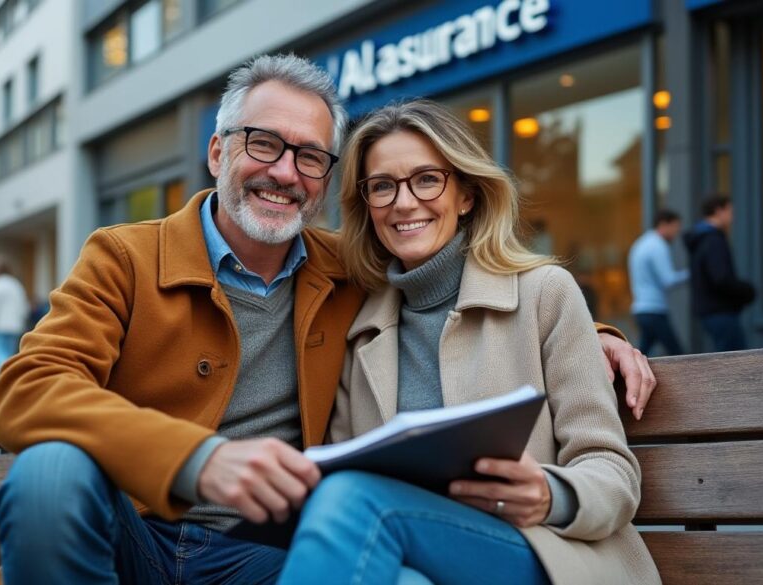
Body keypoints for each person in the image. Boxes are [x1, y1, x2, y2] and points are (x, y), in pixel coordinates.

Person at [0, 54, 656, 585]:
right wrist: (196, 460)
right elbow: (27, 388)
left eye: (308, 156)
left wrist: (595, 335)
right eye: (263, 143)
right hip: (133, 532)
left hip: (261, 553)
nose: (284, 171)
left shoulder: (346, 273)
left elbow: (467, 290)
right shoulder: (124, 256)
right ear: (218, 153)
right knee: (49, 471)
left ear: (326, 181)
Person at [278, 100, 660, 584]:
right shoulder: (361, 332)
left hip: (543, 553)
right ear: (367, 206)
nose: (403, 202)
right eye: (382, 186)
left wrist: (549, 492)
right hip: (419, 557)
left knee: (354, 499)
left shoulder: (544, 292)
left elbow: (611, 469)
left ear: (466, 195)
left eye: (427, 179)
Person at [684, 195, 755, 351]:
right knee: (735, 360)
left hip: (711, 310)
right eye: (730, 211)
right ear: (718, 211)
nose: (732, 217)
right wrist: (746, 292)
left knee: (728, 358)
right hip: (720, 310)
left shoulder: (702, 238)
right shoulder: (713, 240)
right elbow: (721, 278)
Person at [628, 209, 689, 355]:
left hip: (641, 309)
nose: (676, 233)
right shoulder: (658, 246)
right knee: (679, 355)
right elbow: (668, 279)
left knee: (641, 354)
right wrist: (693, 273)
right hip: (654, 310)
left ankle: (625, 377)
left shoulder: (641, 243)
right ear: (663, 224)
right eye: (675, 227)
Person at [0, 262, 30, 370]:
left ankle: (6, 372)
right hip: (15, 326)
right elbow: (24, 307)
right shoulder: (17, 285)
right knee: (9, 354)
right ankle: (9, 374)